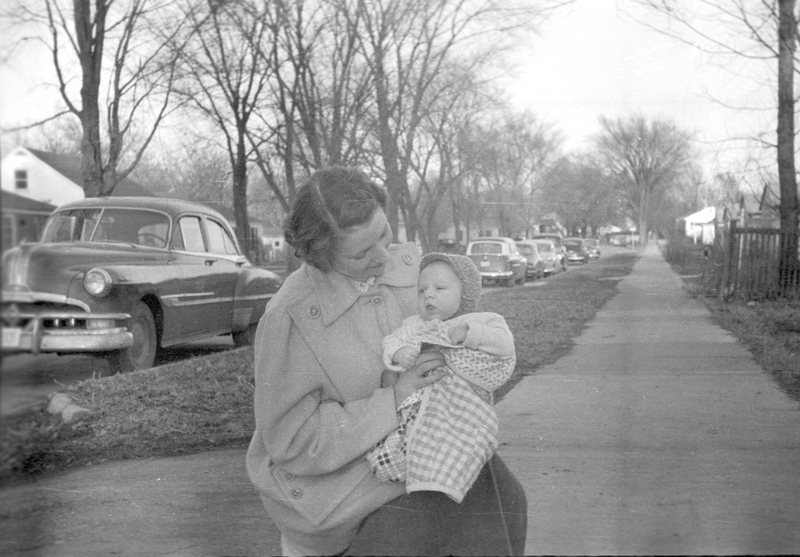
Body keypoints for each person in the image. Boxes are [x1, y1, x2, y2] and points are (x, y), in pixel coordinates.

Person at [246, 166, 527, 557]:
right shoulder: (289, 318)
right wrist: (394, 399)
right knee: (429, 522)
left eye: (383, 234)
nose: (382, 258)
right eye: (361, 252)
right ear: (321, 258)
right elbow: (291, 443)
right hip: (336, 489)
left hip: (416, 450)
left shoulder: (411, 273)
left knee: (505, 498)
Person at [367, 252, 516, 505]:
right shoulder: (414, 324)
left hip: (459, 403)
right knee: (407, 436)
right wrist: (399, 352)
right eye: (422, 290)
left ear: (465, 294)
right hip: (419, 401)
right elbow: (392, 340)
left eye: (440, 288)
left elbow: (504, 344)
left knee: (460, 439)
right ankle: (408, 467)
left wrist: (470, 334)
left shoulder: (480, 320)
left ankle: (445, 477)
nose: (429, 294)